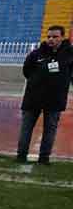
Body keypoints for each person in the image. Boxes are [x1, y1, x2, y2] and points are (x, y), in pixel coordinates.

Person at [17, 25, 72, 165]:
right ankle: (21, 155)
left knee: (50, 129)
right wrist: (36, 82)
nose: (51, 39)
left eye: (55, 37)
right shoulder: (36, 54)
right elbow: (26, 71)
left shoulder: (70, 54)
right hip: (33, 97)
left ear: (62, 37)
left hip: (55, 98)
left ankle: (44, 158)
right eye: (49, 37)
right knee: (26, 127)